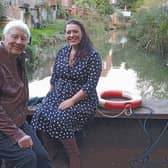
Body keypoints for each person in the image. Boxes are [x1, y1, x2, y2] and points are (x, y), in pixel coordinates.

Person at [31, 19, 102, 168]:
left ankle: (73, 154)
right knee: (39, 114)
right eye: (68, 32)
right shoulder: (63, 51)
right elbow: (55, 77)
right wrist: (49, 96)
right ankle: (51, 150)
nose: (71, 35)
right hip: (57, 95)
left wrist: (72, 101)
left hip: (82, 100)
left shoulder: (93, 55)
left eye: (75, 31)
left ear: (82, 33)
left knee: (60, 118)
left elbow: (90, 85)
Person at [0, 20, 53, 168]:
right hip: (3, 126)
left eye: (23, 38)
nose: (19, 41)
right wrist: (17, 135)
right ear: (4, 37)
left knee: (42, 158)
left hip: (17, 121)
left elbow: (15, 92)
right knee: (27, 159)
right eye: (14, 37)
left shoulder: (19, 57)